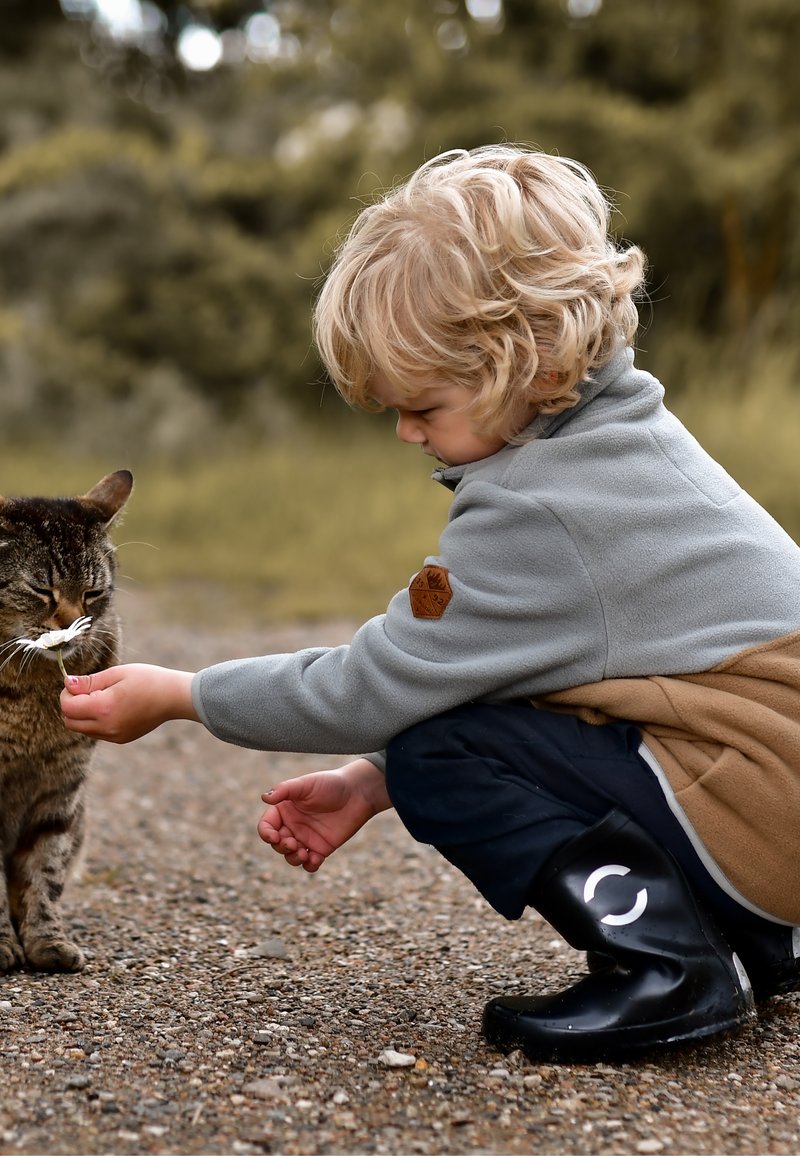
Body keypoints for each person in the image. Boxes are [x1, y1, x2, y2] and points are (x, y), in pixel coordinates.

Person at [61, 145, 800, 1064]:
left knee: (434, 751)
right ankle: (761, 936)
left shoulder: (538, 508)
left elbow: (372, 686)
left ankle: (672, 965)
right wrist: (369, 782)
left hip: (762, 811)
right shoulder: (625, 437)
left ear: (522, 363)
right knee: (413, 749)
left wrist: (183, 694)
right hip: (773, 800)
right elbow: (555, 676)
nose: (408, 431)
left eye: (425, 406)